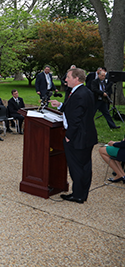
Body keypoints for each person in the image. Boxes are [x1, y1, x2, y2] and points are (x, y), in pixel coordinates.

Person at [50, 68, 97, 204]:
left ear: (76, 78)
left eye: (68, 77)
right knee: (85, 165)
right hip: (87, 135)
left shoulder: (79, 94)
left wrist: (69, 136)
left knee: (77, 166)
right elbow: (76, 110)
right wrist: (60, 105)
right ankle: (82, 194)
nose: (66, 80)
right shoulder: (85, 91)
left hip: (78, 137)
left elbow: (76, 119)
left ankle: (77, 195)